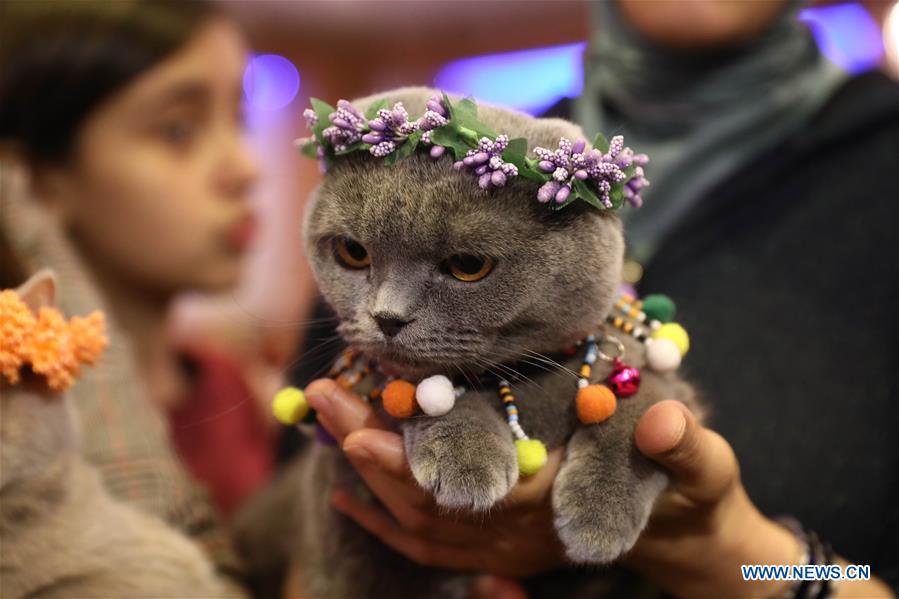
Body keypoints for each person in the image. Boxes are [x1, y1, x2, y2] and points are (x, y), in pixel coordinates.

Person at [289, 0, 898, 596]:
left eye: (470, 262)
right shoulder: (438, 160)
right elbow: (292, 535)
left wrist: (738, 556)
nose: (390, 306)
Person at [0, 0, 277, 592]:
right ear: (35, 182)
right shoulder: (20, 429)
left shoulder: (233, 388)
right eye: (178, 129)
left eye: (241, 118)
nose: (246, 167)